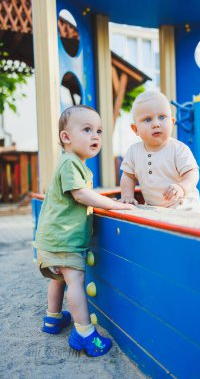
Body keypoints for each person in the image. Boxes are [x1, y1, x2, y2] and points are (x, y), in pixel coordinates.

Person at [35, 105, 134, 357]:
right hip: (64, 238)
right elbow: (80, 194)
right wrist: (113, 204)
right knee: (75, 281)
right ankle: (85, 333)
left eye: (99, 131)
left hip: (52, 237)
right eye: (87, 129)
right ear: (66, 137)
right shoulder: (70, 163)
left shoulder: (72, 163)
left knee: (58, 278)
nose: (95, 136)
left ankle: (53, 318)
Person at [120, 90, 200, 212]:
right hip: (154, 208)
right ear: (135, 129)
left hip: (184, 208)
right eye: (148, 120)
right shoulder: (133, 152)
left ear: (172, 122)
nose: (156, 124)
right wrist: (127, 196)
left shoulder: (178, 149)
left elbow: (192, 173)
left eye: (162, 117)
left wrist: (182, 187)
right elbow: (128, 176)